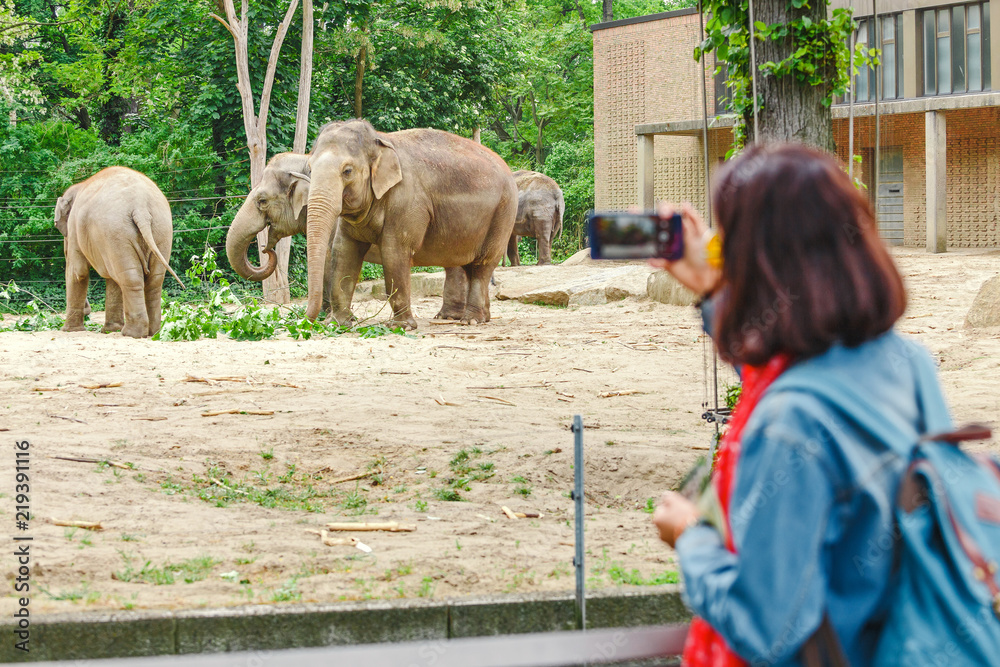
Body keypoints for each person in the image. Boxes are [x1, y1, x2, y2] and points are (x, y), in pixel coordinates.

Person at [650, 144, 951, 666]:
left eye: (729, 243)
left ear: (758, 263)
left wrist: (692, 538)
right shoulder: (909, 365)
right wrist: (712, 290)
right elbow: (786, 367)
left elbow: (766, 627)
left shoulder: (789, 423)